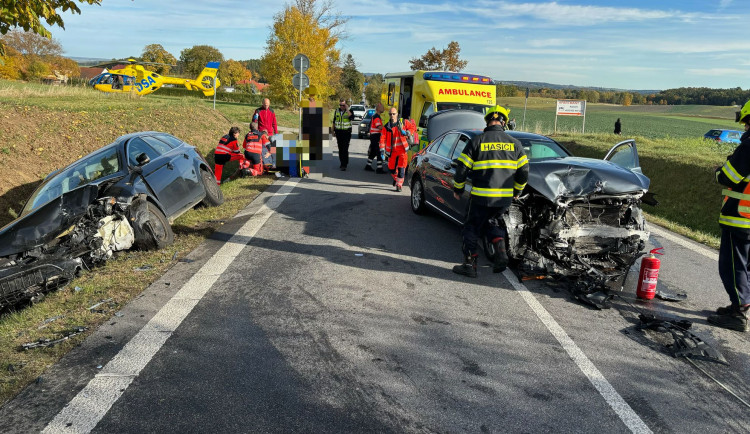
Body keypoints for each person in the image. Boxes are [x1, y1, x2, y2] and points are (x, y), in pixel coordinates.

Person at [451, 105, 529, 278]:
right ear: (504, 122)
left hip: (480, 197)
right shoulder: (515, 144)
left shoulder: (477, 141)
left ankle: (470, 265)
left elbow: (462, 168)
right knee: (493, 222)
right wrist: (516, 190)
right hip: (503, 199)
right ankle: (500, 252)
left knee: (471, 228)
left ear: (487, 121)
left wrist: (458, 188)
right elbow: (524, 171)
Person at [708, 100, 750, 332]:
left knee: (732, 266)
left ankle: (738, 313)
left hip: (741, 218)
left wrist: (718, 171)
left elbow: (728, 177)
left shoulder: (749, 146)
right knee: (746, 267)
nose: (745, 128)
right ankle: (740, 305)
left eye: (746, 123)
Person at [379, 107, 412, 191]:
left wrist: (408, 132)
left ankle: (399, 185)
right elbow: (382, 139)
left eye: (394, 114)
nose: (392, 115)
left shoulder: (403, 122)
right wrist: (382, 151)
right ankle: (397, 179)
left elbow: (412, 128)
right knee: (391, 169)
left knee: (401, 168)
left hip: (402, 150)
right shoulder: (386, 127)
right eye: (390, 114)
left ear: (397, 114)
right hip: (392, 151)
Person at [333, 99, 354, 170]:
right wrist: (332, 131)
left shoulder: (350, 111)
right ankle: (342, 162)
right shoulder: (337, 111)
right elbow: (334, 121)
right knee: (340, 148)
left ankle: (344, 164)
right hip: (338, 132)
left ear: (346, 105)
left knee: (345, 148)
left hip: (346, 133)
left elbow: (352, 118)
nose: (341, 106)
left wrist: (347, 109)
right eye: (340, 105)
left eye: (343, 105)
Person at [365, 103, 385, 173]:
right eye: (382, 107)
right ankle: (379, 168)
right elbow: (378, 126)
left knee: (373, 152)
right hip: (376, 136)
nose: (383, 108)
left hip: (374, 136)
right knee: (379, 151)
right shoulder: (376, 116)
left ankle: (368, 165)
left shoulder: (376, 116)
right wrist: (387, 128)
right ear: (378, 108)